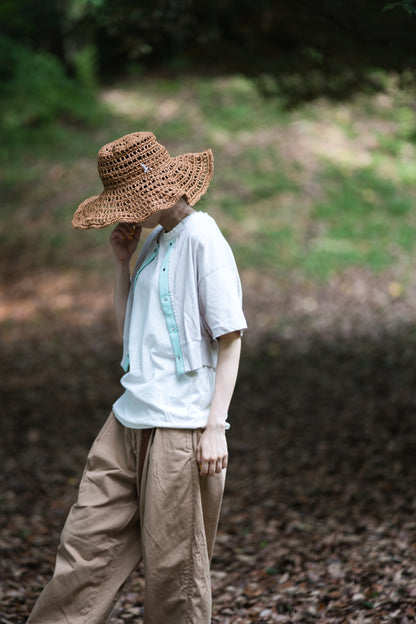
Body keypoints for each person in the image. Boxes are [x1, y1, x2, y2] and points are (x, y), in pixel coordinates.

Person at [27, 131, 247, 624]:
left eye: (128, 202)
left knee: (176, 577)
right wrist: (122, 265)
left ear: (152, 189)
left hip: (182, 427)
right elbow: (129, 330)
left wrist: (215, 427)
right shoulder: (152, 242)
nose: (125, 214)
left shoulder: (203, 238)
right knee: (84, 548)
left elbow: (230, 338)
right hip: (127, 420)